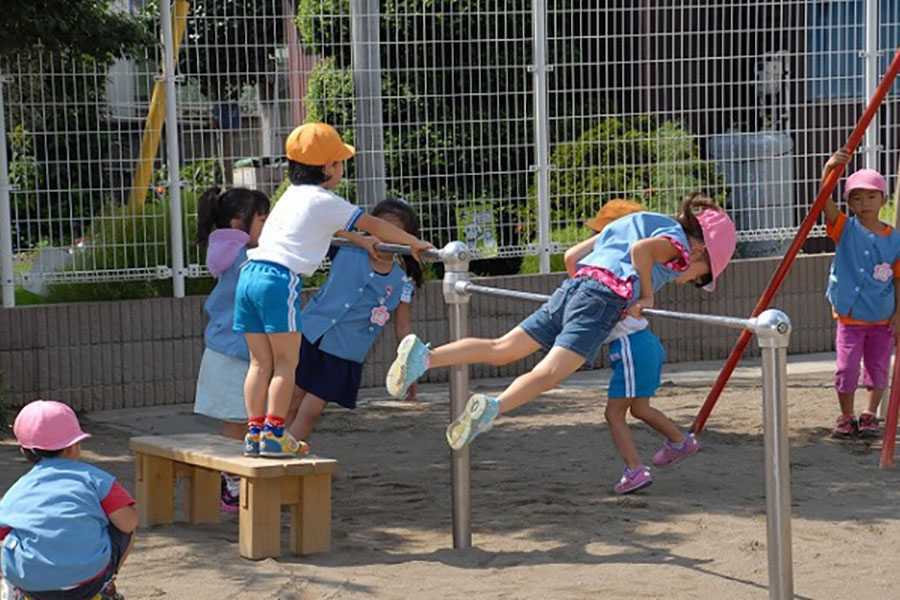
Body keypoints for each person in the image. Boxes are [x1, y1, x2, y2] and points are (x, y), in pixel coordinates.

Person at [385, 192, 736, 452]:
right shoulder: (678, 246)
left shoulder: (637, 219)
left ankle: (426, 356)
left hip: (575, 286)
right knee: (549, 373)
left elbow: (572, 257)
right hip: (603, 298)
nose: (693, 280)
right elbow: (641, 252)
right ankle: (491, 408)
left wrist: (583, 292)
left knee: (502, 348)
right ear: (702, 252)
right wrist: (646, 295)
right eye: (701, 277)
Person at [234, 122, 433, 458]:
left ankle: (254, 432)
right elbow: (372, 223)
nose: (342, 168)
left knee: (259, 363)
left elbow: (340, 229)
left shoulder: (290, 196)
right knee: (286, 364)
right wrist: (414, 243)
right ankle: (273, 432)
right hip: (278, 280)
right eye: (340, 162)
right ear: (328, 167)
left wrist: (358, 240)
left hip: (249, 275)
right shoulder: (326, 200)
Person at [585, 200, 701, 494]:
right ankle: (680, 441)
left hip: (632, 348)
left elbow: (572, 257)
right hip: (642, 347)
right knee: (639, 408)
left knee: (614, 414)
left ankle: (635, 470)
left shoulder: (617, 272)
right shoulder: (620, 271)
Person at [286, 199, 424, 443]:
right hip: (312, 334)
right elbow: (319, 227)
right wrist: (355, 237)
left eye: (393, 233)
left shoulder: (402, 282)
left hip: (344, 351)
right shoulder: (346, 249)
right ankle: (274, 449)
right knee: (292, 397)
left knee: (312, 408)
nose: (384, 238)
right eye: (378, 229)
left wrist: (408, 366)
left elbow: (403, 328)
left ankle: (287, 451)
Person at [0, 401, 138, 600]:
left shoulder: (18, 490)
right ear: (74, 447)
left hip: (33, 584)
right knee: (124, 525)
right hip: (87, 583)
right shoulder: (96, 479)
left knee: (13, 537)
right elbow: (129, 522)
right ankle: (107, 585)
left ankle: (16, 589)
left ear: (25, 451)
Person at [193, 186, 269, 511]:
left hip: (238, 350)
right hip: (231, 352)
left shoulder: (236, 252)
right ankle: (231, 482)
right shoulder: (235, 253)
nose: (268, 226)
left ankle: (236, 479)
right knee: (236, 422)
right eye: (263, 219)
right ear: (239, 223)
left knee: (247, 419)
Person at [820, 149, 900, 438]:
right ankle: (846, 415)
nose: (864, 203)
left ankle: (869, 414)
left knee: (878, 368)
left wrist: (899, 314)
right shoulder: (844, 228)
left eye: (870, 196)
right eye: (856, 197)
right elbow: (823, 201)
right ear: (849, 202)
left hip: (881, 316)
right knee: (846, 368)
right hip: (850, 315)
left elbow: (899, 279)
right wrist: (830, 169)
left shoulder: (894, 239)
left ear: (883, 199)